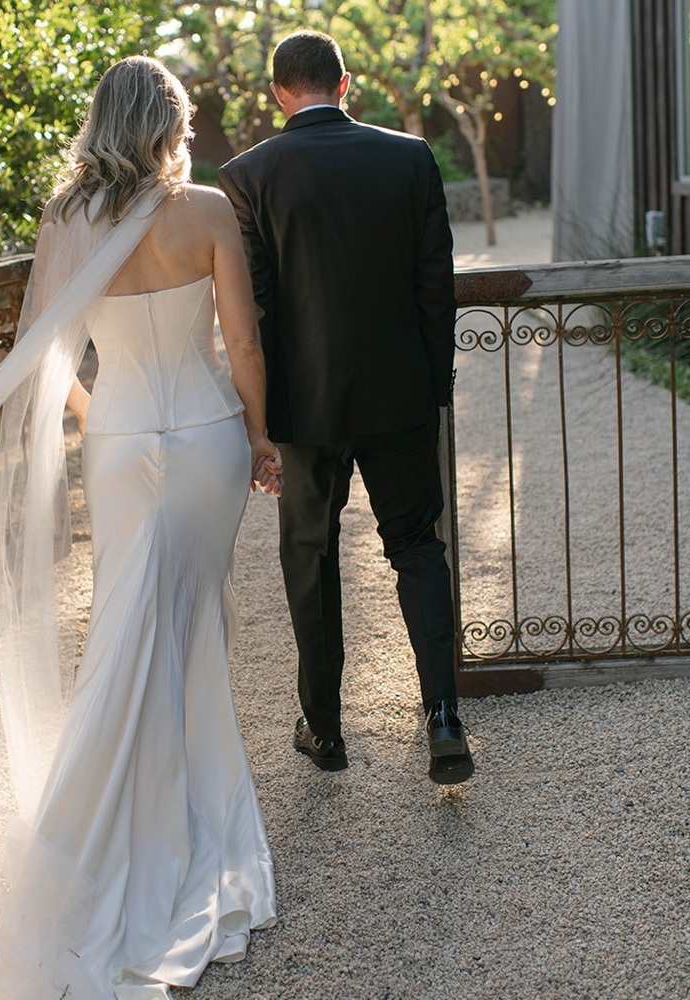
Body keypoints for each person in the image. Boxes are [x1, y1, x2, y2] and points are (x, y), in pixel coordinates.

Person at [0, 57, 281, 999]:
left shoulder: (68, 220)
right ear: (170, 122)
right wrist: (260, 434)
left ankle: (113, 834)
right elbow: (242, 343)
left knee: (132, 625)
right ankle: (187, 828)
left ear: (102, 120)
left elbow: (42, 351)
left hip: (123, 438)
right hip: (208, 438)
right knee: (186, 627)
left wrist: (101, 418)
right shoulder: (208, 211)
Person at [218, 29, 474, 785]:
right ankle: (444, 718)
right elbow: (437, 287)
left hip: (304, 410)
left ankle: (324, 730)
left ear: (277, 92)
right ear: (345, 81)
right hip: (399, 396)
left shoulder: (247, 176)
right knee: (418, 549)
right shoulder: (410, 158)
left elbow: (255, 315)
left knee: (310, 555)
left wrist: (259, 426)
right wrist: (434, 388)